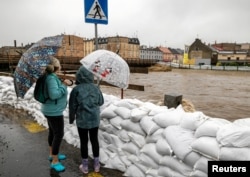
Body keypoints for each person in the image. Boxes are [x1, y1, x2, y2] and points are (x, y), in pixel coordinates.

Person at [69, 66, 104, 174]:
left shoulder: (76, 89)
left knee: (83, 142)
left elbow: (72, 106)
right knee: (94, 140)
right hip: (94, 119)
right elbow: (101, 102)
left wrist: (71, 119)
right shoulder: (96, 88)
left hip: (82, 120)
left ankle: (84, 166)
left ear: (79, 76)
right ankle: (96, 165)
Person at [41, 56, 69, 172]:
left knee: (53, 132)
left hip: (50, 109)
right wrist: (64, 86)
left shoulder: (49, 77)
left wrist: (60, 82)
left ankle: (52, 154)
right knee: (58, 134)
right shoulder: (51, 78)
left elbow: (52, 91)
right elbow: (53, 95)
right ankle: (55, 161)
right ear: (56, 66)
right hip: (54, 112)